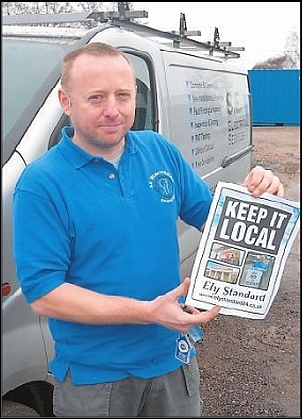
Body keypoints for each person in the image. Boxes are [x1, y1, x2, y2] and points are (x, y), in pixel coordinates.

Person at [13, 42, 284, 417]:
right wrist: (149, 312)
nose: (113, 110)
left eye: (123, 95)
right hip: (97, 379)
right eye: (96, 97)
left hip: (173, 359)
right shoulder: (41, 184)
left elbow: (212, 216)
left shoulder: (159, 151)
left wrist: (259, 198)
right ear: (66, 101)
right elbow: (45, 294)